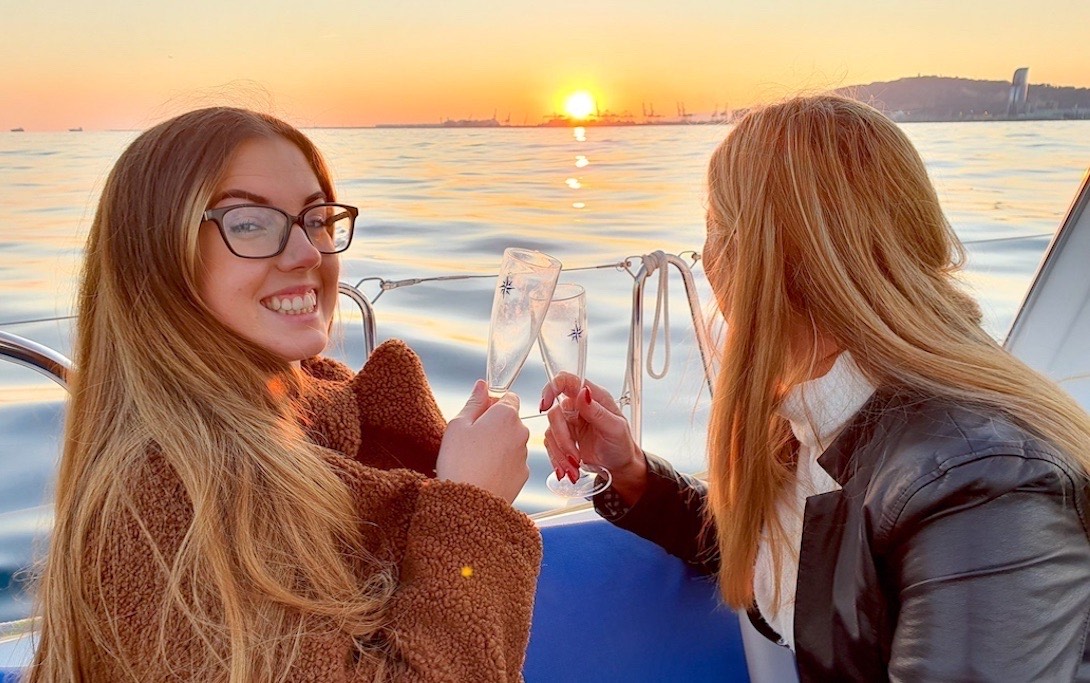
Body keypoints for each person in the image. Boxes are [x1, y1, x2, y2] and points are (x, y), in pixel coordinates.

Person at [542, 95, 1090, 681]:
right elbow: (787, 561)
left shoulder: (980, 489)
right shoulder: (816, 414)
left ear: (753, 259)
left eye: (714, 229)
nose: (705, 257)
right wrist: (629, 473)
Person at [29, 107, 540, 682]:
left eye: (317, 218)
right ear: (157, 255)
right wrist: (472, 506)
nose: (307, 254)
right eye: (250, 223)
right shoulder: (160, 499)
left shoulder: (327, 413)